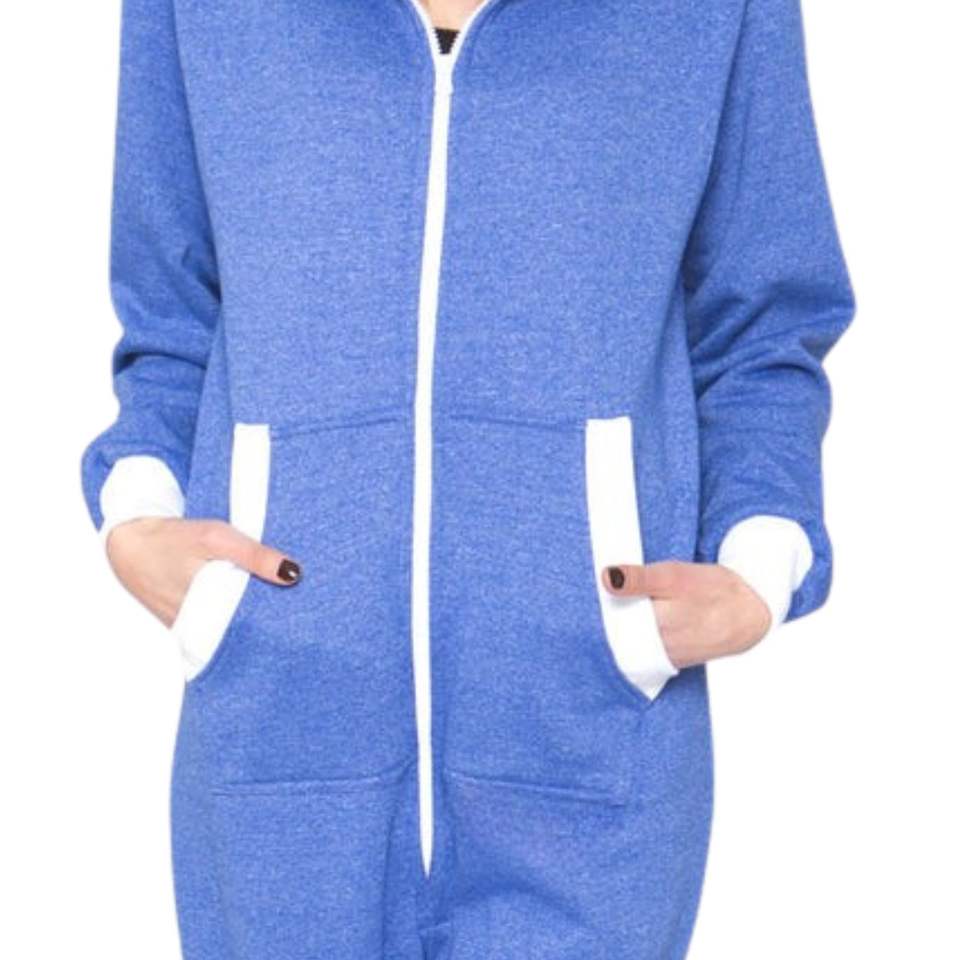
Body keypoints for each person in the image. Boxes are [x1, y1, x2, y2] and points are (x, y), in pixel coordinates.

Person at [81, 0, 854, 957]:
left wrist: (761, 562)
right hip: (278, 729)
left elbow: (766, 323)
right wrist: (140, 512)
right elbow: (167, 310)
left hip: (592, 734)